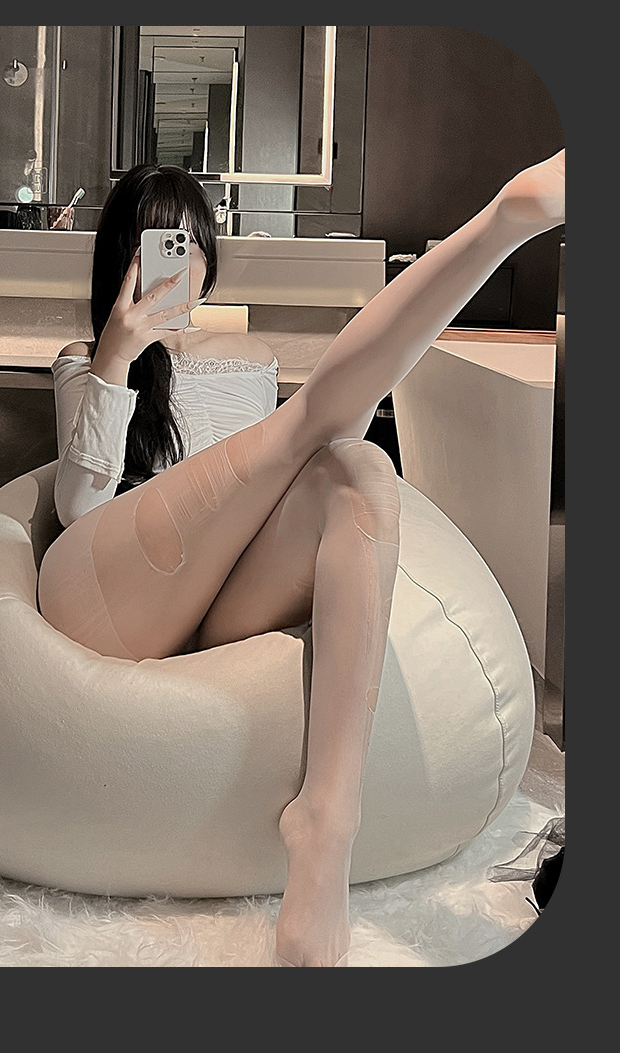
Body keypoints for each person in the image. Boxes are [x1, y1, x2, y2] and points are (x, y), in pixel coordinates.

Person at [37, 153, 565, 967]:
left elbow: (266, 502)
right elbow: (79, 506)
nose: (179, 263)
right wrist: (116, 353)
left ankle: (327, 821)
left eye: (191, 244)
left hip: (219, 598)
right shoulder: (85, 360)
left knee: (361, 471)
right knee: (318, 418)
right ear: (123, 258)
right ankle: (500, 224)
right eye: (158, 245)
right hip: (110, 595)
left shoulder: (241, 362)